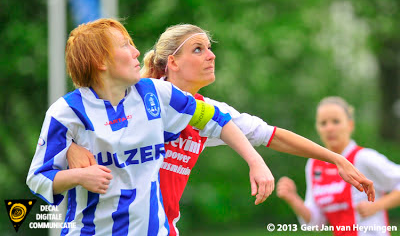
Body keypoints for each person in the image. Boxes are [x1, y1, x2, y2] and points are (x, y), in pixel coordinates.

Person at [67, 24, 375, 236]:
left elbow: (271, 135)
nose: (211, 55)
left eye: (210, 48)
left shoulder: (211, 112)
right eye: (198, 49)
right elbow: (76, 113)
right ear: (172, 62)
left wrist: (336, 159)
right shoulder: (141, 95)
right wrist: (72, 146)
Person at [26, 18, 275, 236]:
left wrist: (256, 162)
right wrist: (79, 176)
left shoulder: (157, 94)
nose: (136, 52)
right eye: (125, 45)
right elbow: (38, 178)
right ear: (100, 61)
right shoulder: (66, 113)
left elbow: (217, 120)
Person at [277, 96, 400, 236]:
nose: (329, 128)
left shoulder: (364, 158)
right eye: (323, 123)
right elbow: (316, 224)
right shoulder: (313, 165)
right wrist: (293, 198)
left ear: (350, 125)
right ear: (317, 128)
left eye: (336, 121)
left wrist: (378, 205)